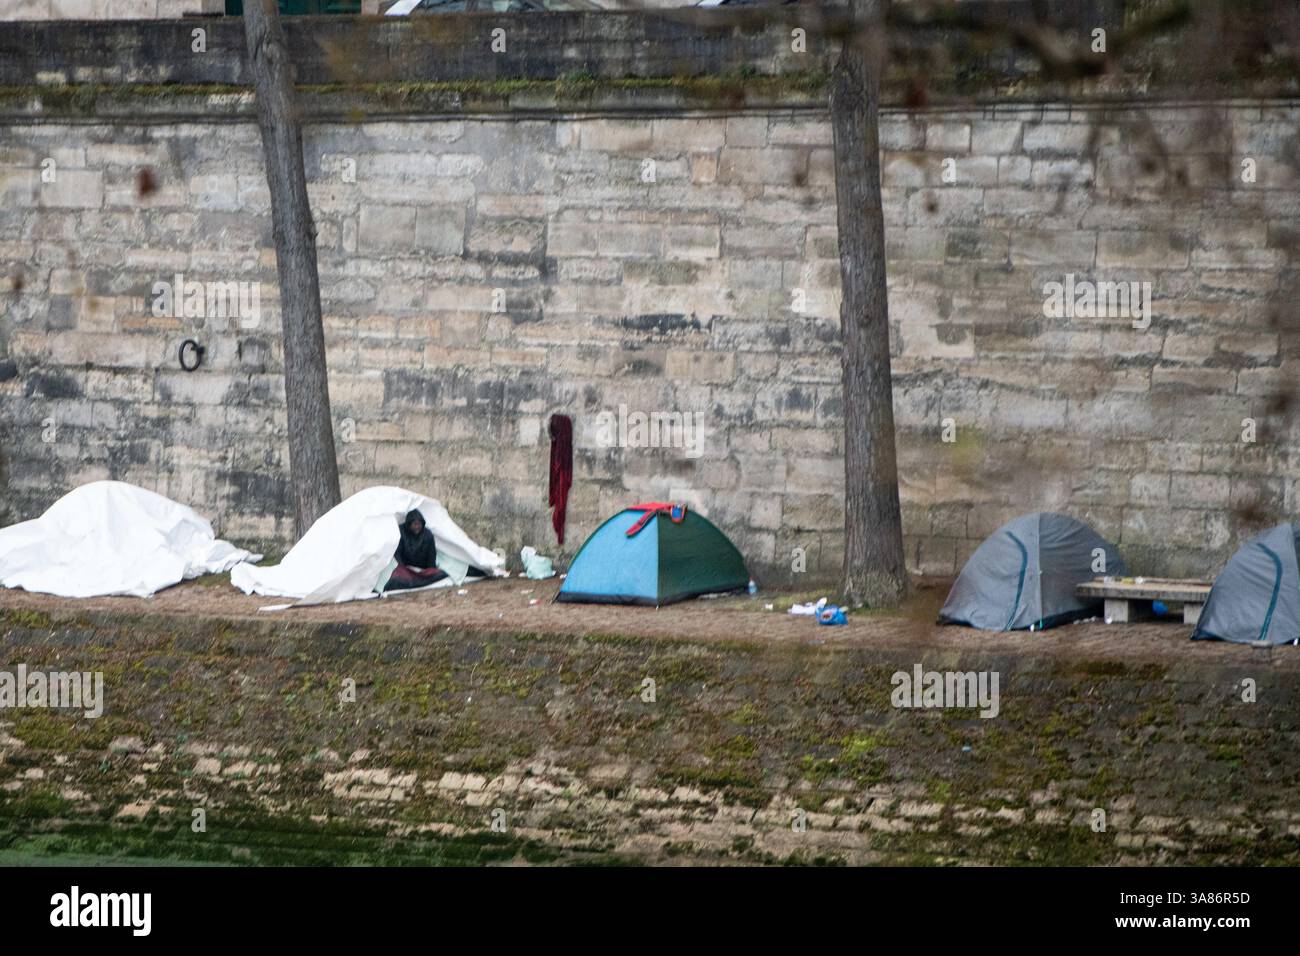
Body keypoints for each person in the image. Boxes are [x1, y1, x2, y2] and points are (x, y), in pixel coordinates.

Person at [383, 509, 448, 592]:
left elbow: (431, 555)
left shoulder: (427, 534)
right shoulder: (401, 533)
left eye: (419, 524)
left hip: (421, 568)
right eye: (415, 524)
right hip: (406, 567)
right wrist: (404, 570)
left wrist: (430, 571)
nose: (417, 527)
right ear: (409, 524)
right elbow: (397, 554)